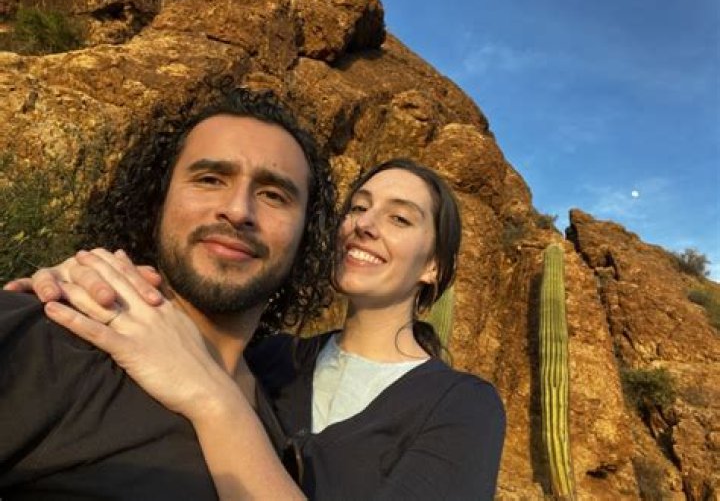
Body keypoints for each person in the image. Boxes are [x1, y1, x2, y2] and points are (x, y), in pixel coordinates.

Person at [8, 159, 506, 499]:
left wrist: (216, 404)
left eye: (399, 218)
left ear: (433, 268)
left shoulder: (462, 405)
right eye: (358, 207)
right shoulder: (269, 360)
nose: (364, 224)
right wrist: (89, 283)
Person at [0, 88, 337, 499]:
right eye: (210, 179)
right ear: (158, 203)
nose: (238, 211)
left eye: (273, 195)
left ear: (305, 237)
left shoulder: (285, 417)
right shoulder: (57, 335)